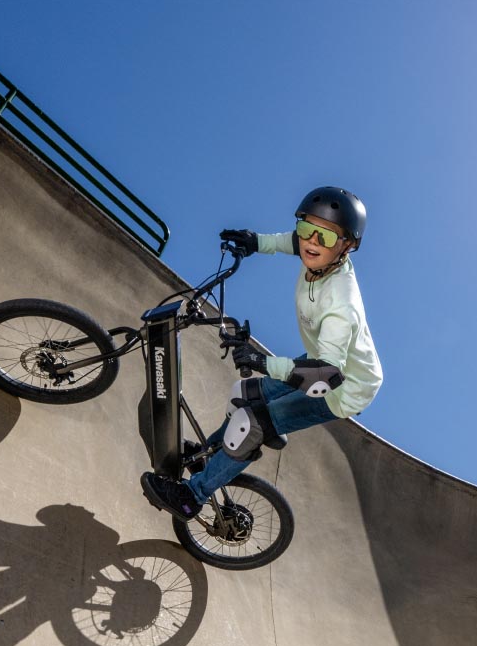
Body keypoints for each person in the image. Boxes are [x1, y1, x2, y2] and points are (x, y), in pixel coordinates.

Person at [141, 186, 382, 518]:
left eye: (324, 236)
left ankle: (191, 498)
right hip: (316, 359)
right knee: (242, 394)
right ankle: (208, 456)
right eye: (305, 229)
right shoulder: (318, 254)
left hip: (344, 387)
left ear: (347, 246)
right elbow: (289, 242)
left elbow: (325, 375)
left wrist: (262, 362)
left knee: (250, 423)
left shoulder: (342, 304)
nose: (311, 242)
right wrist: (254, 242)